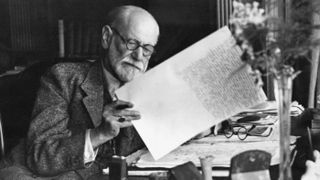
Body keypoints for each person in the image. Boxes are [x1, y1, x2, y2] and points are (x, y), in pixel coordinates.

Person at [0, 5, 160, 179]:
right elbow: (41, 157)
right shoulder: (63, 78)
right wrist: (99, 134)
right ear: (107, 37)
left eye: (147, 49)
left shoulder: (151, 88)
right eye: (132, 43)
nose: (138, 56)